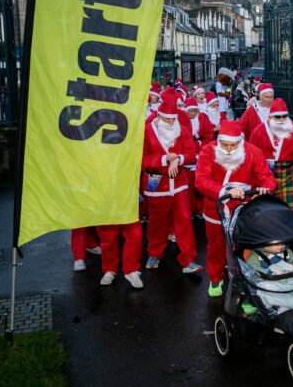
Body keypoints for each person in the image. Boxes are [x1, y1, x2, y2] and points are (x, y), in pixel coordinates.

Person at [195, 120, 276, 297]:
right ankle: (215, 278)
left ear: (241, 141)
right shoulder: (209, 151)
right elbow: (201, 181)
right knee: (216, 246)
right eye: (224, 144)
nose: (229, 149)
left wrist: (264, 189)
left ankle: (245, 284)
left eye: (233, 145)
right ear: (219, 141)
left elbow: (267, 178)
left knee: (245, 248)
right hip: (215, 208)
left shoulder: (253, 152)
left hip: (243, 209)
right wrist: (224, 191)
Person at [141, 99, 203, 275]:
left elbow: (190, 153)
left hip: (178, 182)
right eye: (167, 119)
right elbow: (141, 160)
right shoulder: (146, 132)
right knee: (157, 221)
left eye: (173, 119)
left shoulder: (181, 130)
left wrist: (179, 158)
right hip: (156, 182)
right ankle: (154, 253)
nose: (170, 122)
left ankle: (188, 259)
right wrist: (163, 159)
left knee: (184, 220)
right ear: (159, 115)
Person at [249, 98, 293, 234]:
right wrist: (256, 179)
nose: (281, 120)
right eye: (277, 117)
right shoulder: (258, 131)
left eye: (284, 116)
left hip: (289, 172)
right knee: (269, 211)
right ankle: (272, 238)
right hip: (265, 174)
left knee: (292, 212)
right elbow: (251, 156)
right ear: (270, 117)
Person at [96, 220, 144, 289]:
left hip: (128, 210)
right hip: (107, 211)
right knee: (108, 238)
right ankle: (109, 269)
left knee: (135, 235)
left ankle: (131, 269)